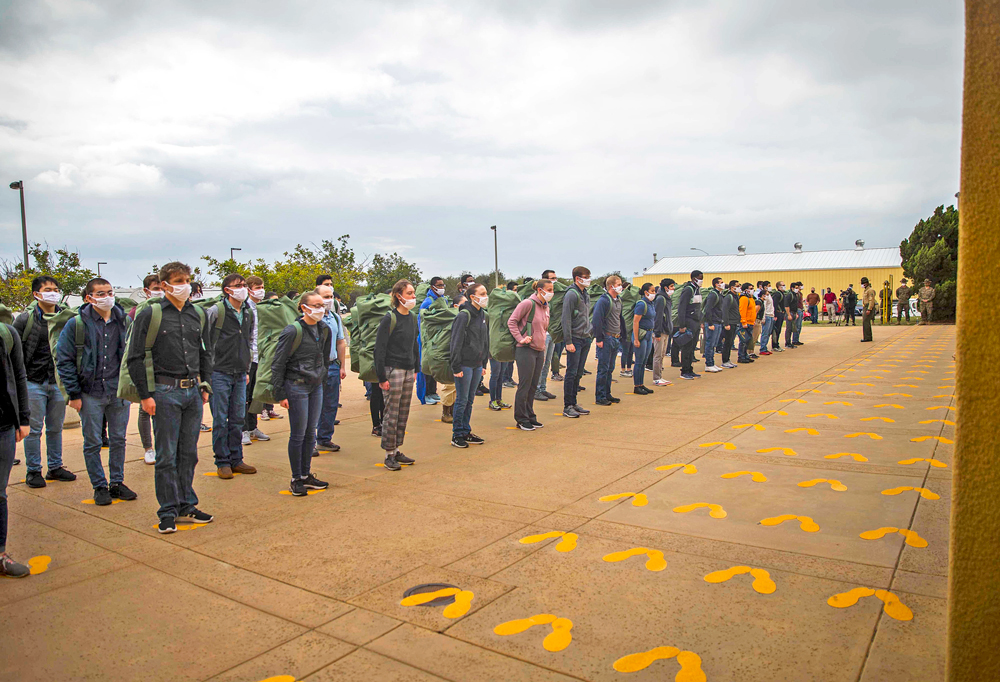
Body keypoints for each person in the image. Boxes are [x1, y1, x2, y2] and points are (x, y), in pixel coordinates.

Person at [127, 262, 214, 534]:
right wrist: (145, 395)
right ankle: (167, 511)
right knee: (166, 456)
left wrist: (204, 385)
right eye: (178, 280)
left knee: (188, 454)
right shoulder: (150, 314)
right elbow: (135, 357)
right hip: (164, 392)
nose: (185, 285)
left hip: (192, 392)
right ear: (164, 285)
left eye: (187, 279)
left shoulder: (196, 314)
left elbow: (204, 352)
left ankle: (187, 504)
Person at [56, 278, 136, 506]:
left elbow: (132, 355)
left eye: (109, 292)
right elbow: (64, 360)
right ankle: (99, 485)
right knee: (92, 442)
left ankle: (117, 483)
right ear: (89, 298)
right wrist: (73, 394)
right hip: (90, 393)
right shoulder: (76, 324)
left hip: (117, 392)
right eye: (101, 294)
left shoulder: (123, 321)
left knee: (119, 439)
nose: (107, 297)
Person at [12, 276, 76, 489]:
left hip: (57, 381)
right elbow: (15, 351)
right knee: (34, 428)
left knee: (56, 427)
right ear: (36, 294)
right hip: (33, 381)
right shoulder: (25, 320)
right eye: (48, 289)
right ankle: (33, 470)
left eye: (56, 289)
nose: (53, 292)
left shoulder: (66, 317)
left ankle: (55, 467)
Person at [270, 292, 331, 495]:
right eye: (316, 305)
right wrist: (280, 393)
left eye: (322, 305)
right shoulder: (292, 331)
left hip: (315, 386)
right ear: (304, 307)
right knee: (298, 433)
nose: (320, 309)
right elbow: (278, 363)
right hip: (296, 385)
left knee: (310, 432)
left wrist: (321, 377)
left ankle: (306, 474)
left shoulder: (324, 330)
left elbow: (324, 357)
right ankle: (296, 478)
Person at [205, 274, 258, 479]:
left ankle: (237, 459)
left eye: (244, 285)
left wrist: (246, 369)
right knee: (220, 419)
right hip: (219, 372)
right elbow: (205, 342)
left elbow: (249, 340)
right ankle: (222, 461)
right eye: (238, 286)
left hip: (239, 373)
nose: (243, 289)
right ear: (227, 290)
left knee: (237, 418)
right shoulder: (216, 311)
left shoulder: (248, 312)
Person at [374, 280, 420, 471]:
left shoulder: (412, 317)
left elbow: (414, 345)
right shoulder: (389, 319)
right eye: (409, 293)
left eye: (413, 293)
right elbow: (379, 349)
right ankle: (388, 453)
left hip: (409, 369)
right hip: (393, 370)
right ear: (398, 296)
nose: (413, 297)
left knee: (403, 412)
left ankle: (398, 449)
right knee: (391, 414)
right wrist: (381, 377)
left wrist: (416, 368)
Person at [0, 314, 31, 577]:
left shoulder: (6, 334)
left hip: (3, 428)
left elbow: (19, 377)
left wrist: (23, 418)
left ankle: (0, 555)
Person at [507, 279, 552, 430]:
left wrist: (543, 347)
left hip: (539, 350)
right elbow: (512, 321)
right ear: (540, 290)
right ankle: (521, 418)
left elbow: (544, 329)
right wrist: (521, 338)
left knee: (533, 385)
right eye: (549, 289)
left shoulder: (546, 307)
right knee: (525, 385)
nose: (551, 293)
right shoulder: (528, 303)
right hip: (525, 349)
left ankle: (530, 415)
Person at [447, 285, 489, 444]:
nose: (486, 296)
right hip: (464, 364)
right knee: (462, 399)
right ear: (472, 297)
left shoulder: (483, 315)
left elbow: (485, 340)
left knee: (470, 399)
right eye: (482, 294)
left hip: (477, 364)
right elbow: (455, 342)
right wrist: (456, 366)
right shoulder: (464, 316)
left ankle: (466, 430)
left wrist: (484, 362)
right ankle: (457, 434)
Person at [315, 285, 347, 454]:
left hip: (332, 366)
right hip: (314, 368)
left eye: (331, 296)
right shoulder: (311, 318)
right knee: (314, 405)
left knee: (330, 404)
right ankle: (310, 441)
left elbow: (340, 342)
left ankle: (324, 439)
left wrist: (342, 365)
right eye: (325, 296)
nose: (329, 300)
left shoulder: (334, 317)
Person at [561, 266, 593, 418]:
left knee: (579, 372)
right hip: (575, 338)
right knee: (571, 372)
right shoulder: (571, 294)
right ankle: (567, 405)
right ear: (577, 278)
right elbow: (565, 319)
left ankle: (574, 402)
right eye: (586, 276)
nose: (588, 279)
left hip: (585, 337)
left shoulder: (585, 293)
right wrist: (568, 341)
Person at [242, 276, 270, 445]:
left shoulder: (263, 308)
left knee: (255, 395)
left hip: (260, 357)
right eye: (257, 287)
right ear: (249, 289)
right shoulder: (245, 308)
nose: (261, 290)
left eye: (262, 286)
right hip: (248, 358)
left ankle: (253, 427)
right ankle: (243, 429)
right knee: (244, 397)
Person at [592, 275, 624, 406]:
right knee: (603, 368)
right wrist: (599, 338)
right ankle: (600, 396)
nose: (621, 286)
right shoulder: (604, 301)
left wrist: (623, 334)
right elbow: (597, 319)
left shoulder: (618, 300)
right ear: (611, 286)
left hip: (616, 337)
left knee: (610, 368)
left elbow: (619, 318)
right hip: (606, 337)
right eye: (619, 284)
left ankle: (607, 393)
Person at [417, 277, 446, 406]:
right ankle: (425, 394)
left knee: (435, 366)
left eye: (442, 285)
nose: (441, 287)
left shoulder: (443, 300)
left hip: (437, 339)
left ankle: (433, 391)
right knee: (425, 367)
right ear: (432, 286)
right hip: (426, 339)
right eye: (439, 285)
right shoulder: (427, 302)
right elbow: (421, 321)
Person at [439, 293, 466, 423]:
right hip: (448, 356)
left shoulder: (463, 317)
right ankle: (445, 412)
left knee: (456, 387)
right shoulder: (450, 317)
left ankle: (453, 411)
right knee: (449, 386)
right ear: (456, 306)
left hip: (460, 356)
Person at [535, 270, 559, 403]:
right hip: (542, 336)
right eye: (552, 279)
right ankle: (537, 390)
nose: (555, 280)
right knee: (541, 363)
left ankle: (542, 387)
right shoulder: (534, 300)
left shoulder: (549, 301)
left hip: (551, 333)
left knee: (547, 363)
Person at [675, 271, 703, 380]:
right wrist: (682, 325)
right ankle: (684, 370)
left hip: (696, 321)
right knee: (687, 347)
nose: (701, 280)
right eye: (700, 278)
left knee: (692, 347)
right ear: (694, 278)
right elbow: (681, 308)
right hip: (688, 321)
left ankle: (690, 369)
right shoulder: (688, 290)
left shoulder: (697, 290)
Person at [630, 282, 657, 393]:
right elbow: (636, 322)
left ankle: (641, 384)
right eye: (652, 291)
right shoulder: (642, 304)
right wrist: (636, 339)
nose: (654, 293)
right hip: (642, 334)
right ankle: (637, 386)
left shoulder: (651, 303)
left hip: (649, 334)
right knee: (639, 361)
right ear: (646, 292)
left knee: (644, 361)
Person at [651, 278, 675, 387]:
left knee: (662, 354)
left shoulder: (667, 298)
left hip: (666, 331)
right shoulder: (661, 299)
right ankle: (656, 378)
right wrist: (657, 333)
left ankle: (660, 376)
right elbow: (658, 316)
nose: (673, 288)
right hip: (660, 331)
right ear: (666, 288)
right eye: (671, 286)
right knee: (658, 355)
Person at [701, 277, 724, 372]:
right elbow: (708, 309)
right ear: (716, 284)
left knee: (714, 344)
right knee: (710, 343)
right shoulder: (713, 295)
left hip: (718, 321)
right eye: (721, 282)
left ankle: (712, 363)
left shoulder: (719, 294)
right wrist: (710, 323)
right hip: (713, 322)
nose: (723, 284)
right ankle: (709, 364)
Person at [720, 280, 741, 369]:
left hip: (735, 322)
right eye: (737, 286)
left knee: (730, 342)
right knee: (727, 342)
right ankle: (725, 361)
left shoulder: (736, 296)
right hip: (730, 323)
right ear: (732, 287)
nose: (739, 287)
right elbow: (725, 310)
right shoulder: (729, 297)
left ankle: (728, 360)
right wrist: (726, 323)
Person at [737, 283, 756, 363]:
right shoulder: (744, 299)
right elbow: (742, 311)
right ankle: (741, 356)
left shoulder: (751, 298)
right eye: (750, 288)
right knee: (743, 340)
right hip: (745, 323)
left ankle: (745, 355)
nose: (752, 290)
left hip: (750, 322)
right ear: (745, 290)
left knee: (747, 340)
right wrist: (743, 321)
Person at [758, 281, 775, 355]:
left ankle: (765, 347)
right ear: (765, 287)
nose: (770, 287)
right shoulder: (765, 295)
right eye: (769, 285)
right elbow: (764, 307)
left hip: (771, 315)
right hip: (767, 315)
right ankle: (763, 348)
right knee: (765, 332)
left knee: (768, 333)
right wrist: (763, 318)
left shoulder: (769, 295)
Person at [770, 281, 787, 352]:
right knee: (776, 330)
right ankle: (774, 345)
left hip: (781, 313)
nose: (784, 286)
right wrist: (775, 315)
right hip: (778, 313)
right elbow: (775, 304)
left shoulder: (782, 294)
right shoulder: (777, 294)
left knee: (779, 330)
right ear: (779, 287)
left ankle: (777, 344)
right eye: (783, 285)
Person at [860, 277, 878, 342]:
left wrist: (869, 309)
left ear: (867, 283)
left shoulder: (870, 290)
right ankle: (867, 336)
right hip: (865, 306)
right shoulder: (865, 290)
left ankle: (867, 337)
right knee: (865, 322)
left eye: (863, 283)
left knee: (866, 322)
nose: (862, 285)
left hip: (868, 306)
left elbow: (871, 300)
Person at [783, 282, 800, 349]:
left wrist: (796, 314)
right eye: (796, 288)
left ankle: (790, 342)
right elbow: (786, 305)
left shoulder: (795, 295)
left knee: (793, 328)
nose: (797, 289)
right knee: (789, 328)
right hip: (790, 313)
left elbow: (795, 305)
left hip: (794, 312)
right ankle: (787, 343)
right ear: (792, 288)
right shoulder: (789, 295)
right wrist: (788, 314)